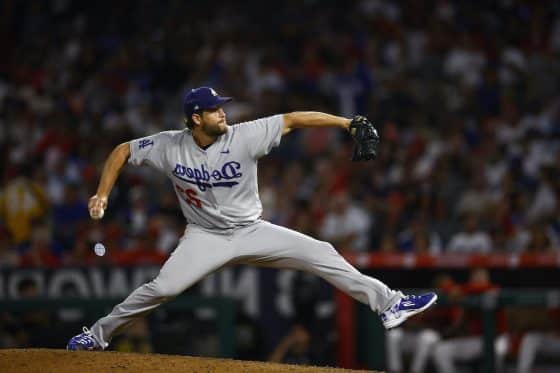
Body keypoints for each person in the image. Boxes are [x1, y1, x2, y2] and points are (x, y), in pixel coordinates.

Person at [67, 86, 437, 351]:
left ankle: (389, 304)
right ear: (196, 118)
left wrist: (345, 123)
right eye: (214, 110)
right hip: (204, 237)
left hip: (252, 230)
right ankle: (96, 336)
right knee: (162, 289)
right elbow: (122, 150)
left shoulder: (245, 135)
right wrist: (102, 193)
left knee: (322, 252)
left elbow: (293, 119)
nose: (223, 112)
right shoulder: (168, 145)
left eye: (222, 106)